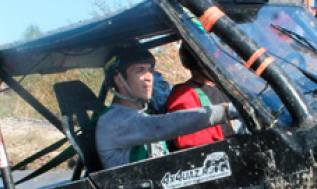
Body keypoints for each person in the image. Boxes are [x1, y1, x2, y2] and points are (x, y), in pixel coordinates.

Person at [95, 48, 231, 169]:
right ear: (119, 80)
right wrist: (225, 111)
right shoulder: (113, 121)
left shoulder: (142, 114)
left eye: (150, 70)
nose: (149, 77)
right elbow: (162, 126)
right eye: (139, 70)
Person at [164, 46, 235, 151]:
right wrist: (231, 128)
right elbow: (186, 138)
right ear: (201, 62)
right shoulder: (184, 94)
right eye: (217, 58)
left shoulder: (226, 88)